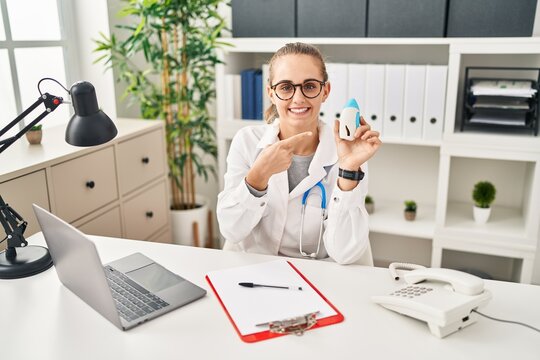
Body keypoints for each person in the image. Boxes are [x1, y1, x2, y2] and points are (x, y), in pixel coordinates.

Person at [217, 42, 381, 265]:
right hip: (255, 271)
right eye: (286, 87)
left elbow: (346, 253)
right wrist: (258, 177)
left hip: (316, 277)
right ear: (271, 93)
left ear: (325, 91)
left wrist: (349, 170)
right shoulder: (247, 142)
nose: (298, 98)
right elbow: (231, 230)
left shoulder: (347, 153)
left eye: (310, 86)